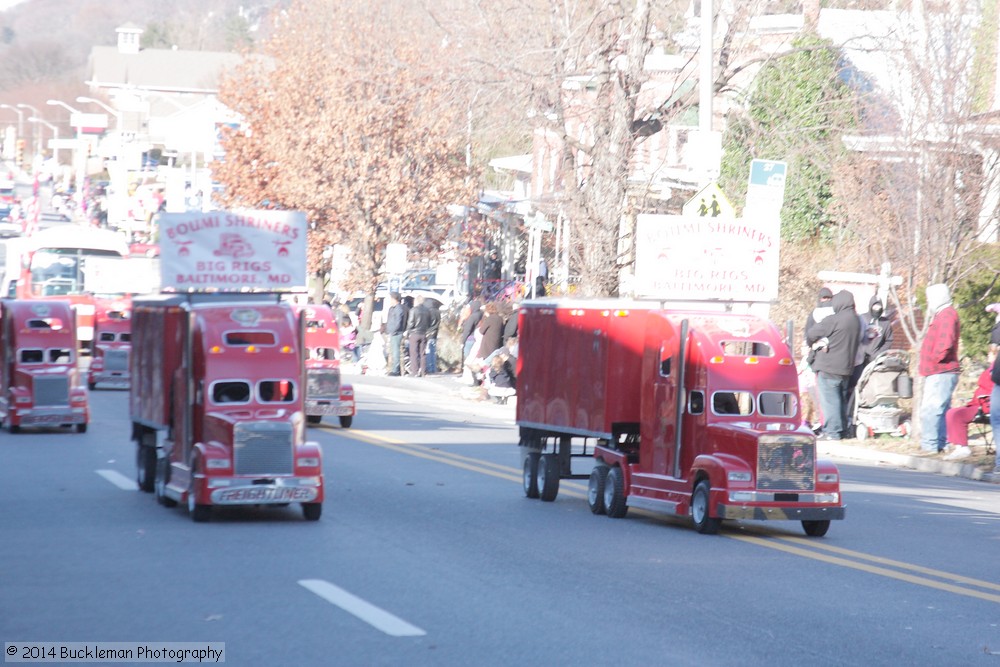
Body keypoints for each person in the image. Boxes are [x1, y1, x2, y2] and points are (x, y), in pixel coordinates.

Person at [806, 290, 860, 441]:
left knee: (830, 401)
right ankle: (842, 430)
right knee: (841, 400)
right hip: (846, 368)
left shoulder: (834, 320)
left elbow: (811, 334)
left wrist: (815, 344)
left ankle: (832, 432)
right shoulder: (856, 320)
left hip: (829, 365)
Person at [918, 283, 961, 453]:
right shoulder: (944, 314)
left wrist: (933, 360)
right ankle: (939, 444)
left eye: (930, 298)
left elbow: (945, 344)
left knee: (932, 409)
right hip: (941, 370)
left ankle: (930, 445)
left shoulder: (946, 315)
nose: (928, 302)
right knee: (941, 409)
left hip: (940, 370)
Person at [943, 348, 995, 459]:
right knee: (952, 412)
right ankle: (959, 446)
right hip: (980, 402)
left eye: (990, 353)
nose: (988, 355)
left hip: (987, 405)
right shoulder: (991, 369)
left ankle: (962, 448)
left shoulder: (994, 370)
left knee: (957, 415)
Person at [804, 287, 835, 370]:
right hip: (830, 353)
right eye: (825, 298)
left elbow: (808, 333)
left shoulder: (814, 313)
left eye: (829, 298)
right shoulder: (837, 313)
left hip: (818, 352)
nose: (827, 300)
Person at [405, 296, 431, 377]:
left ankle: (415, 372)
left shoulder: (414, 310)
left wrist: (408, 331)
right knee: (422, 353)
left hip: (414, 333)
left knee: (414, 353)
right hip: (423, 333)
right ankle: (423, 371)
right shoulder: (427, 310)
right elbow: (429, 322)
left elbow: (411, 322)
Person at [384, 292, 406, 376]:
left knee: (395, 351)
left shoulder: (398, 309)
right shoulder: (392, 308)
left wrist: (393, 330)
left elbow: (398, 322)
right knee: (393, 351)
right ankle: (395, 368)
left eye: (391, 298)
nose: (389, 300)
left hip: (396, 333)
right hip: (392, 332)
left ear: (394, 299)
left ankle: (395, 370)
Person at [424, 297, 442, 374]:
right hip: (435, 333)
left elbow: (427, 323)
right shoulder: (438, 312)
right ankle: (433, 368)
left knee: (428, 351)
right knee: (433, 352)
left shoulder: (429, 312)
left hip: (429, 333)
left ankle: (429, 368)